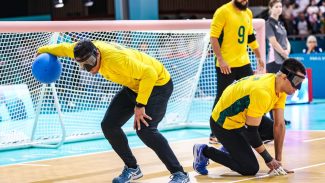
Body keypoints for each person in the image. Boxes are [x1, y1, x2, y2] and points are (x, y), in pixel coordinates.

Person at [37, 39, 190, 183]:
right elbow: (62, 48)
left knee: (146, 130)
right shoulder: (82, 50)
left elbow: (149, 74)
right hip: (134, 86)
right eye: (83, 65)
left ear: (97, 53)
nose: (88, 68)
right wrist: (41, 51)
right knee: (109, 125)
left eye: (90, 63)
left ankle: (179, 173)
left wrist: (140, 105)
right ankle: (132, 168)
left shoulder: (116, 60)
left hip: (157, 85)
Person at [193, 58, 306, 176]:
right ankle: (204, 151)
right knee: (249, 168)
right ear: (284, 77)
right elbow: (251, 133)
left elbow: (279, 125)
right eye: (296, 82)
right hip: (223, 124)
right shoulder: (263, 92)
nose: (298, 87)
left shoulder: (279, 87)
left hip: (241, 118)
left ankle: (230, 148)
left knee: (272, 131)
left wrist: (278, 162)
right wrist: (269, 159)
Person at [209, 0, 265, 144]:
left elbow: (250, 37)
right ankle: (214, 133)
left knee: (252, 93)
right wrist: (220, 59)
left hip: (243, 62)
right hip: (226, 64)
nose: (244, 1)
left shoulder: (248, 13)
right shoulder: (223, 11)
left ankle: (253, 130)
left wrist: (259, 56)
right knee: (222, 96)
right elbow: (213, 37)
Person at [266, 0, 292, 124]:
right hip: (273, 61)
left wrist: (288, 51)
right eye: (276, 6)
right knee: (274, 90)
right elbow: (273, 42)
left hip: (283, 60)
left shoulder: (281, 24)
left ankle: (280, 117)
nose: (279, 8)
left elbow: (286, 40)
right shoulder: (268, 24)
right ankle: (272, 118)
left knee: (282, 90)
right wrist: (284, 53)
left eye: (280, 6)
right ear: (271, 8)